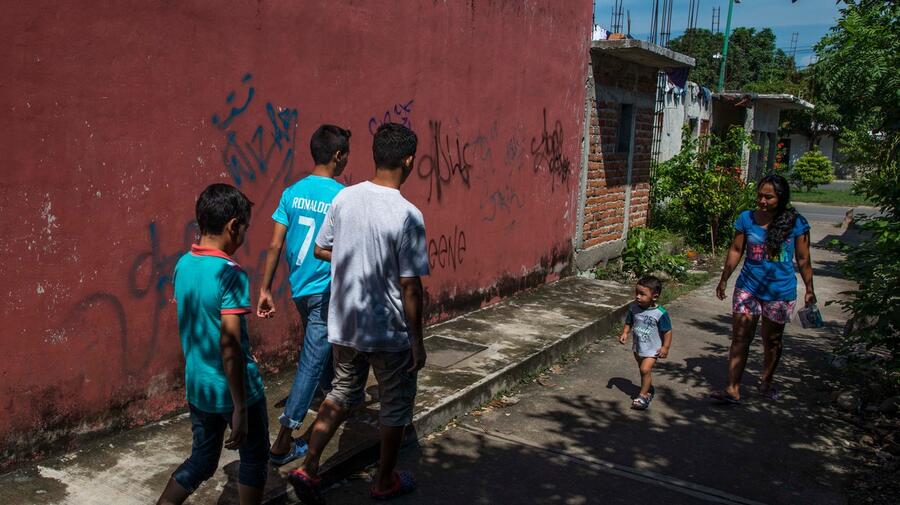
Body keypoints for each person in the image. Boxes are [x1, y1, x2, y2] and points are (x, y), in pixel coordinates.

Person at [287, 123, 428, 503]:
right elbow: (411, 286)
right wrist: (417, 341)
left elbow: (321, 249)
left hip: (345, 323)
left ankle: (309, 465)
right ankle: (384, 480)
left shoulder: (345, 199)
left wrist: (356, 257)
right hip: (388, 331)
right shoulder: (408, 214)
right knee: (396, 406)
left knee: (341, 392)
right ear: (409, 160)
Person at [157, 184, 268, 505]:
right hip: (236, 391)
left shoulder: (183, 264)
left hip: (198, 388)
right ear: (234, 226)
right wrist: (240, 408)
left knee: (202, 461)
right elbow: (230, 344)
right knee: (254, 459)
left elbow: (200, 324)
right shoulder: (230, 274)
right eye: (245, 228)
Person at [257, 125, 351, 465]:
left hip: (299, 287)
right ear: (338, 155)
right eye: (347, 154)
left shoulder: (291, 192)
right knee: (312, 358)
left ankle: (329, 395)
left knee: (318, 347)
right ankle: (284, 439)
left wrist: (266, 289)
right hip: (325, 290)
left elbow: (274, 244)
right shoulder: (343, 196)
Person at [711, 173, 815, 404]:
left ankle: (766, 382)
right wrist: (724, 277)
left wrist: (809, 288)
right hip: (748, 287)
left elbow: (803, 258)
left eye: (769, 197)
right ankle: (732, 388)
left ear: (781, 197)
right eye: (759, 196)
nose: (762, 201)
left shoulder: (796, 223)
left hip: (780, 291)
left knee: (772, 340)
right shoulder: (746, 219)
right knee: (740, 337)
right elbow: (736, 249)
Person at [618, 275, 673, 410]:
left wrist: (665, 347)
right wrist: (625, 332)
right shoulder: (634, 308)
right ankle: (648, 388)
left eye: (642, 294)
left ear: (654, 296)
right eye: (637, 292)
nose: (638, 296)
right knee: (643, 371)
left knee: (645, 369)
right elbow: (629, 322)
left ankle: (643, 395)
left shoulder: (660, 313)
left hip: (652, 349)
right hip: (638, 347)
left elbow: (667, 331)